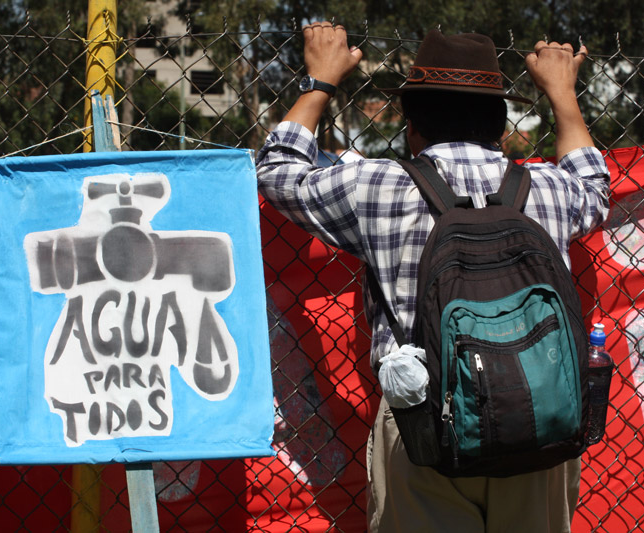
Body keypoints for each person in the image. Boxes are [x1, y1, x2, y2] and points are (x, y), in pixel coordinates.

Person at [255, 24, 610, 533]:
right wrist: (562, 93)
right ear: (499, 124)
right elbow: (594, 184)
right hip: (540, 419)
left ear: (410, 123)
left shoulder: (375, 184)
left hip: (423, 422)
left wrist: (321, 80)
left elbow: (278, 172)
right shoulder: (550, 189)